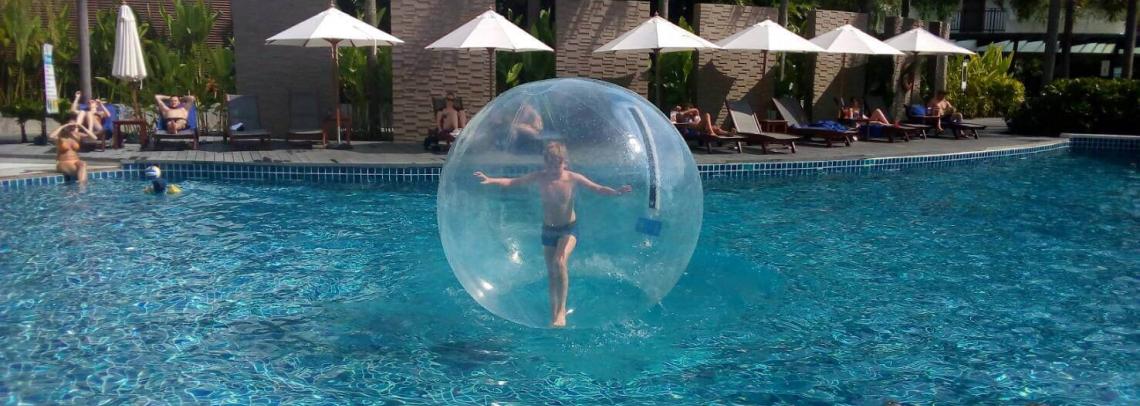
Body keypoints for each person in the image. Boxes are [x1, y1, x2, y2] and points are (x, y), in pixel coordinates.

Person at [473, 141, 632, 327]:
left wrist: (615, 192)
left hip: (568, 229)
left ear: (564, 162)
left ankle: (561, 312)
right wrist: (491, 180)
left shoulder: (572, 178)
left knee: (559, 262)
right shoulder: (540, 177)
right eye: (550, 165)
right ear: (545, 163)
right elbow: (513, 182)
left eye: (557, 165)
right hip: (548, 230)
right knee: (551, 273)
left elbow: (596, 188)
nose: (554, 169)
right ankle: (554, 311)